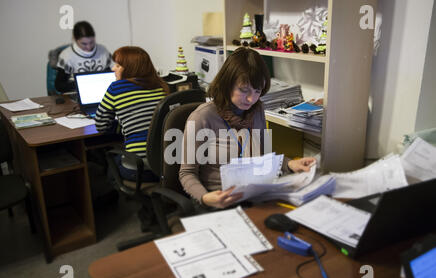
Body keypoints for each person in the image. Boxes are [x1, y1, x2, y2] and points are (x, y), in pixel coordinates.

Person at [179, 47, 315, 209]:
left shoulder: (257, 110)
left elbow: (264, 155)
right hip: (220, 200)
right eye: (244, 90)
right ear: (227, 84)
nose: (251, 98)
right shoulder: (202, 117)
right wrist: (206, 197)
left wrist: (290, 164)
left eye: (257, 91)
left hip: (254, 194)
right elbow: (187, 173)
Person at [95, 46, 169, 182]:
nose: (113, 69)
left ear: (130, 68)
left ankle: (118, 200)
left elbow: (101, 125)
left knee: (111, 164)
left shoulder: (116, 88)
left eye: (118, 65)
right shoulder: (161, 86)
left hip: (141, 169)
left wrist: (122, 127)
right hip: (168, 166)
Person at [55, 21, 112, 93]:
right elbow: (59, 86)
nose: (88, 47)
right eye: (84, 44)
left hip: (101, 93)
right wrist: (83, 84)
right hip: (76, 94)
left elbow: (110, 76)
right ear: (75, 39)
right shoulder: (66, 56)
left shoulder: (103, 51)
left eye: (91, 42)